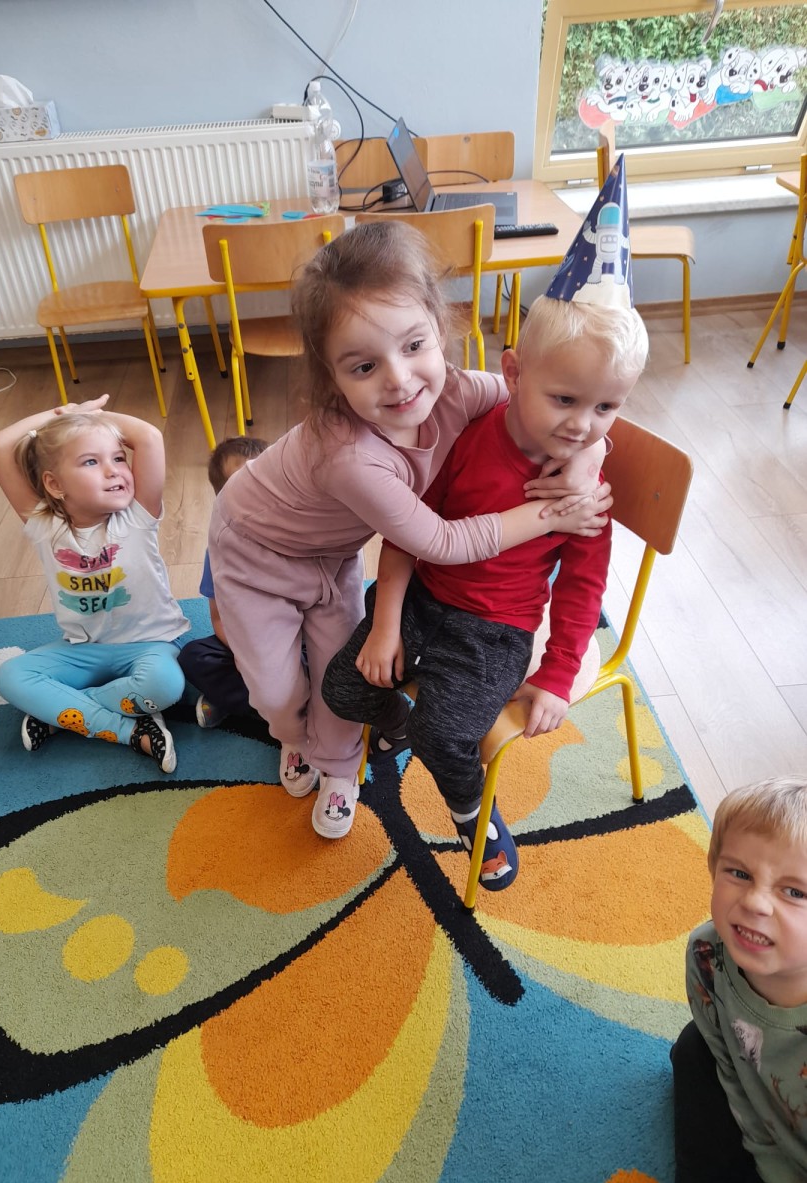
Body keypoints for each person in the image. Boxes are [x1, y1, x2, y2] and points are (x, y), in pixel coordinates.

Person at [208, 220, 613, 842]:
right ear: (331, 378)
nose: (399, 379)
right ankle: (294, 736)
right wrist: (555, 514)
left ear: (439, 330)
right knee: (278, 695)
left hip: (335, 556)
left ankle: (339, 768)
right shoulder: (348, 456)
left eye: (414, 344)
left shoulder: (456, 390)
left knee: (339, 677)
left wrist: (590, 452)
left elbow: (546, 404)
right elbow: (442, 543)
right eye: (365, 365)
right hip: (255, 554)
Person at [323, 291, 647, 877]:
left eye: (606, 407)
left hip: (495, 633)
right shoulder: (468, 435)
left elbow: (582, 591)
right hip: (422, 598)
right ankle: (397, 726)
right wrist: (387, 625)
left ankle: (472, 812)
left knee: (442, 735)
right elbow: (408, 532)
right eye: (565, 400)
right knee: (343, 689)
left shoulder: (584, 493)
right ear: (513, 373)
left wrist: (557, 674)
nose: (582, 425)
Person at [0, 396, 189, 773]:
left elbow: (148, 436)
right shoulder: (45, 527)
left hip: (151, 645)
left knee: (165, 686)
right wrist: (60, 415)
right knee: (10, 676)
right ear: (54, 484)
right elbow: (0, 445)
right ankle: (128, 730)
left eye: (119, 457)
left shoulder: (137, 516)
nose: (114, 471)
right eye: (91, 462)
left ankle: (63, 710)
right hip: (82, 651)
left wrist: (89, 416)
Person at [673, 777, 807, 1183]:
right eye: (739, 873)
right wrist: (781, 1180)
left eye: (794, 891)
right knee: (694, 1049)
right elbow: (735, 1080)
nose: (754, 902)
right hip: (769, 1130)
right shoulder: (707, 955)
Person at [178, 435, 268, 728]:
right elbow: (218, 617)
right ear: (223, 501)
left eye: (268, 479)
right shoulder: (219, 549)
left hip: (296, 641)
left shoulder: (298, 536)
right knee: (193, 657)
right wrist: (244, 653)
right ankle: (261, 706)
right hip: (244, 643)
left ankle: (246, 701)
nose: (261, 492)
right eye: (244, 485)